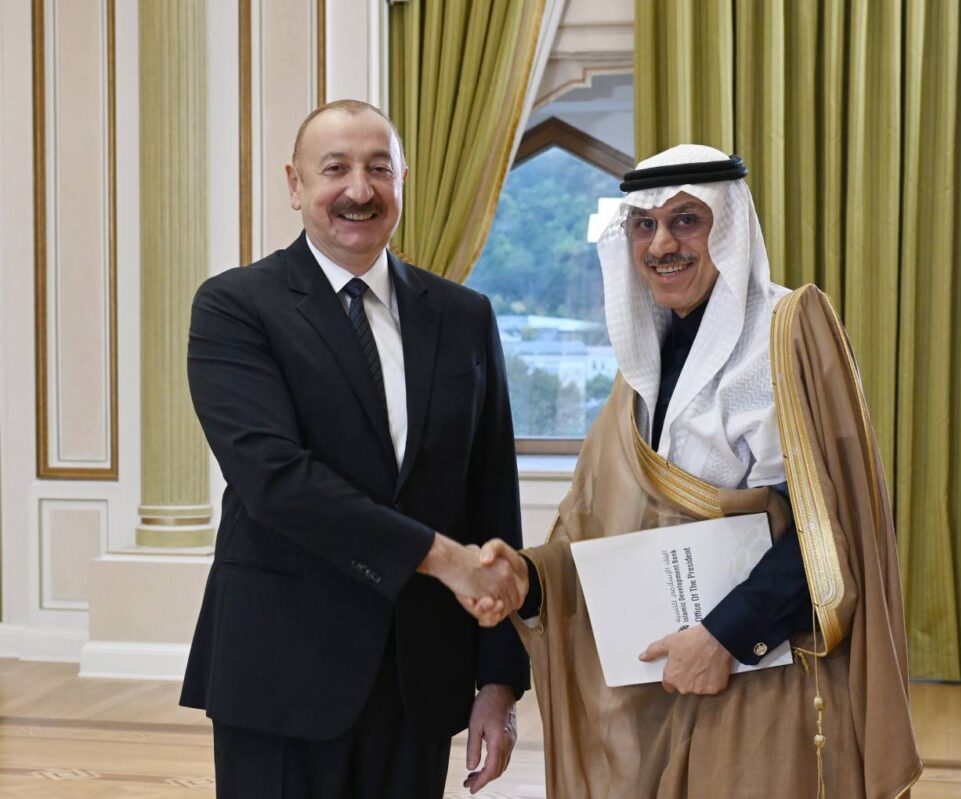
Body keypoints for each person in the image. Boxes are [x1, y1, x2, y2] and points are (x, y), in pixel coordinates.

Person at [473, 144, 922, 797]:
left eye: (686, 220)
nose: (662, 244)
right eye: (644, 224)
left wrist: (723, 638)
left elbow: (829, 527)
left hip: (766, 677)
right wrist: (530, 579)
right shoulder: (643, 367)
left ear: (729, 227)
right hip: (667, 678)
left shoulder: (787, 331)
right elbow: (605, 530)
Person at [180, 99, 529, 799]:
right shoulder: (234, 307)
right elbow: (276, 480)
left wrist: (498, 682)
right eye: (335, 168)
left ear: (403, 181)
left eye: (379, 168)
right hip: (282, 669)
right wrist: (443, 557)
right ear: (295, 184)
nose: (359, 190)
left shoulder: (464, 315)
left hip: (420, 678)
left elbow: (492, 498)